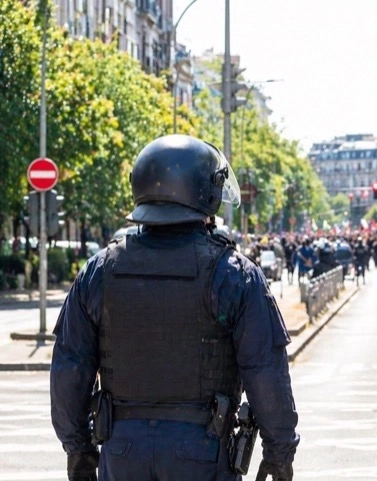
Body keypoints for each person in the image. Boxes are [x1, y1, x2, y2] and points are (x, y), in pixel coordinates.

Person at [50, 134, 298, 481]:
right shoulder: (234, 274)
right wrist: (279, 451)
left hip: (122, 451)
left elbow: (70, 366)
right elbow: (264, 369)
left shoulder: (99, 270)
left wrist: (77, 448)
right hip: (202, 451)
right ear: (207, 192)